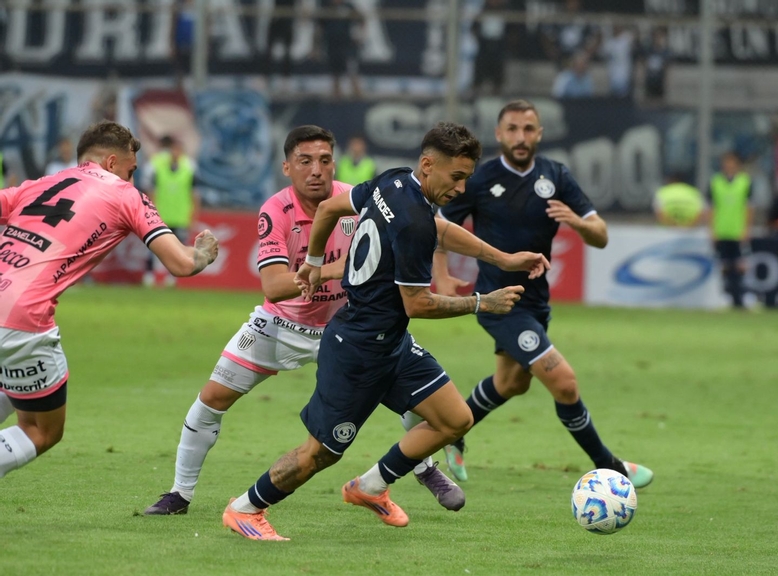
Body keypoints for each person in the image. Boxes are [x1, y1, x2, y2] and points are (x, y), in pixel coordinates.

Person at [220, 122, 550, 540]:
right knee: (319, 454)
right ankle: (245, 508)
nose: (462, 189)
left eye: (466, 178)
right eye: (456, 177)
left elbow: (331, 209)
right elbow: (418, 304)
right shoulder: (413, 224)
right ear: (428, 165)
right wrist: (484, 302)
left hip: (392, 343)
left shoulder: (394, 182)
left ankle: (371, 486)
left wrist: (503, 259)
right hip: (357, 351)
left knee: (455, 419)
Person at [143, 125, 464, 516]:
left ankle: (424, 468)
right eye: (305, 161)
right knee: (212, 399)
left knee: (412, 392)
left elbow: (429, 227)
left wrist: (487, 259)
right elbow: (274, 287)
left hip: (348, 325)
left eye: (325, 160)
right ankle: (179, 494)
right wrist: (335, 270)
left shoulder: (356, 198)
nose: (316, 170)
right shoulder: (275, 210)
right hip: (282, 326)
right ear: (286, 167)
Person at [432, 100, 653, 489]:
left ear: (539, 133)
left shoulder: (556, 175)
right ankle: (611, 466)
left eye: (528, 129)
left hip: (535, 303)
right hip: (499, 302)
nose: (520, 137)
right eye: (512, 129)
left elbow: (600, 234)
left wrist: (577, 223)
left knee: (511, 383)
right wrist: (443, 275)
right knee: (563, 381)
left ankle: (452, 432)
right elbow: (439, 226)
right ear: (499, 134)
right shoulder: (480, 179)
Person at [0, 120, 219, 479]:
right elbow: (181, 263)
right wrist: (204, 254)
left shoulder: (41, 183)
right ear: (112, 163)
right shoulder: (124, 194)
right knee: (41, 430)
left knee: (13, 388)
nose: (132, 180)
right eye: (131, 171)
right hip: (23, 316)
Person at [141, 135, 200, 287]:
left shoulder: (189, 169)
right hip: (161, 215)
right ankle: (149, 275)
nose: (175, 152)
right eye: (173, 149)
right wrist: (151, 211)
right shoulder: (158, 167)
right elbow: (151, 191)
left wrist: (193, 216)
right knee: (154, 246)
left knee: (177, 249)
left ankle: (171, 278)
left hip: (180, 217)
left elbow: (194, 195)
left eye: (178, 150)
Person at [707, 151, 753, 309]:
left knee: (740, 265)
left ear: (737, 165)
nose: (729, 165)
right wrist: (712, 230)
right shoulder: (715, 182)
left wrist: (746, 229)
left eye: (732, 162)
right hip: (722, 230)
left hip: (737, 230)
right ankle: (726, 297)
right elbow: (712, 208)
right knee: (724, 266)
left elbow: (749, 208)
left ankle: (740, 298)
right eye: (727, 162)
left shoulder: (744, 182)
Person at [320, 0, 363, 99]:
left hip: (347, 43)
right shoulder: (326, 7)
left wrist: (360, 34)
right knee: (335, 70)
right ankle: (337, 92)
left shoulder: (348, 6)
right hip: (332, 43)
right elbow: (320, 26)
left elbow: (361, 19)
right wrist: (316, 45)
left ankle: (356, 91)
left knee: (351, 67)